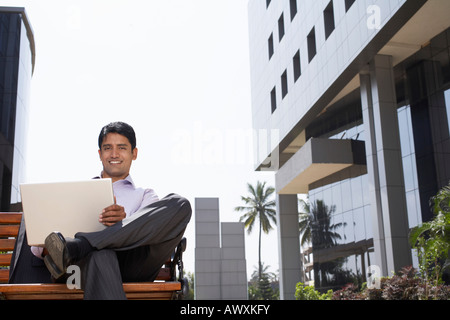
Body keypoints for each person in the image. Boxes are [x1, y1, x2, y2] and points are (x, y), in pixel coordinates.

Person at [10, 122, 192, 300]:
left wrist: (125, 222)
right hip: (82, 267)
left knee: (180, 203)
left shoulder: (145, 195)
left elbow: (155, 232)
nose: (114, 154)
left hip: (131, 265)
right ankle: (84, 247)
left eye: (121, 147)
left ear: (134, 153)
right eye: (107, 148)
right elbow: (37, 248)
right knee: (102, 256)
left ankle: (82, 244)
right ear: (100, 154)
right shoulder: (75, 192)